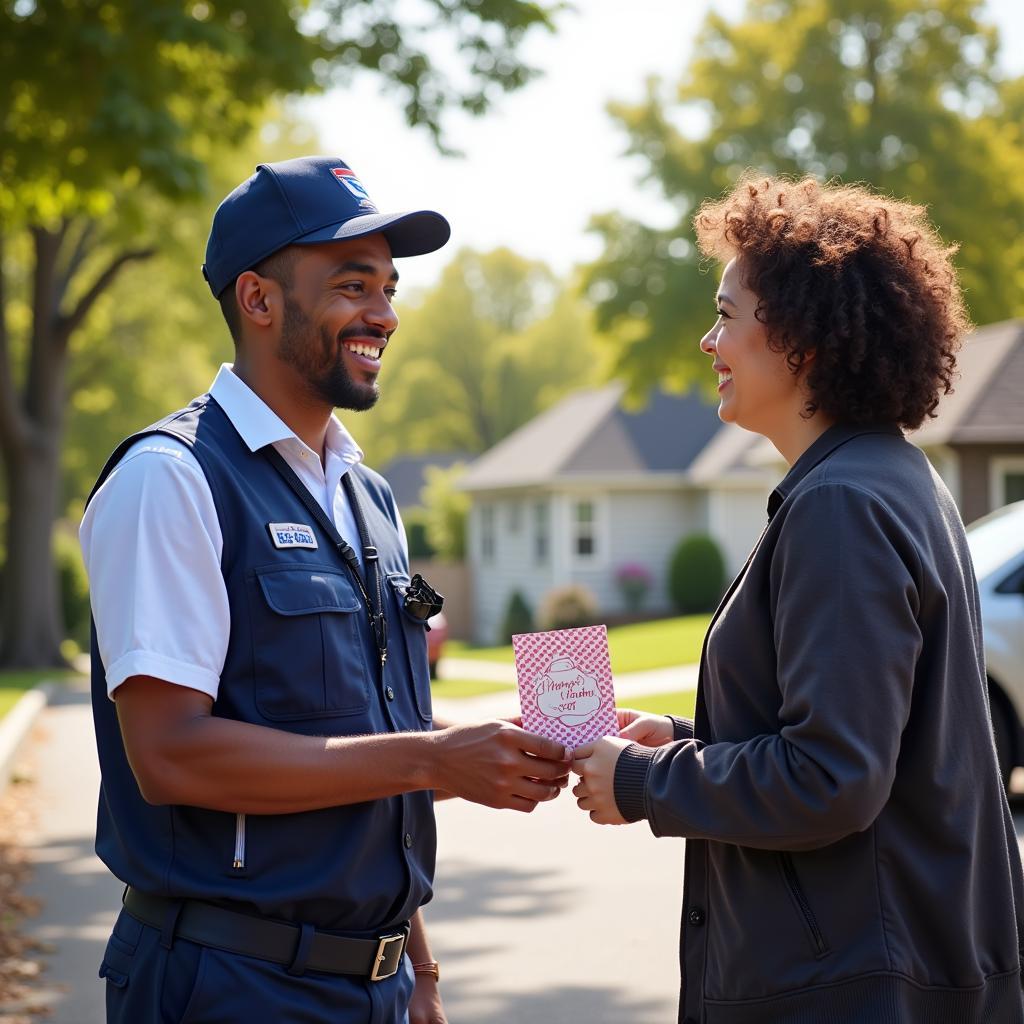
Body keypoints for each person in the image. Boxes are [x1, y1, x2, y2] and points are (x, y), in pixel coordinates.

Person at [80, 155, 572, 1024]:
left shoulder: (367, 496)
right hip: (229, 984)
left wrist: (419, 967)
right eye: (352, 286)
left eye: (388, 288)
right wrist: (433, 759)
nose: (383, 314)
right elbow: (168, 755)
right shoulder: (172, 478)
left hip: (375, 986)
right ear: (258, 300)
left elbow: (367, 735)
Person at [571, 176, 1024, 1023]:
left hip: (851, 991)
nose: (710, 342)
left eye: (726, 316)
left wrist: (645, 781)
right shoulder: (888, 476)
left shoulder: (842, 504)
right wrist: (682, 738)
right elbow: (849, 733)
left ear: (802, 340)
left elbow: (832, 777)